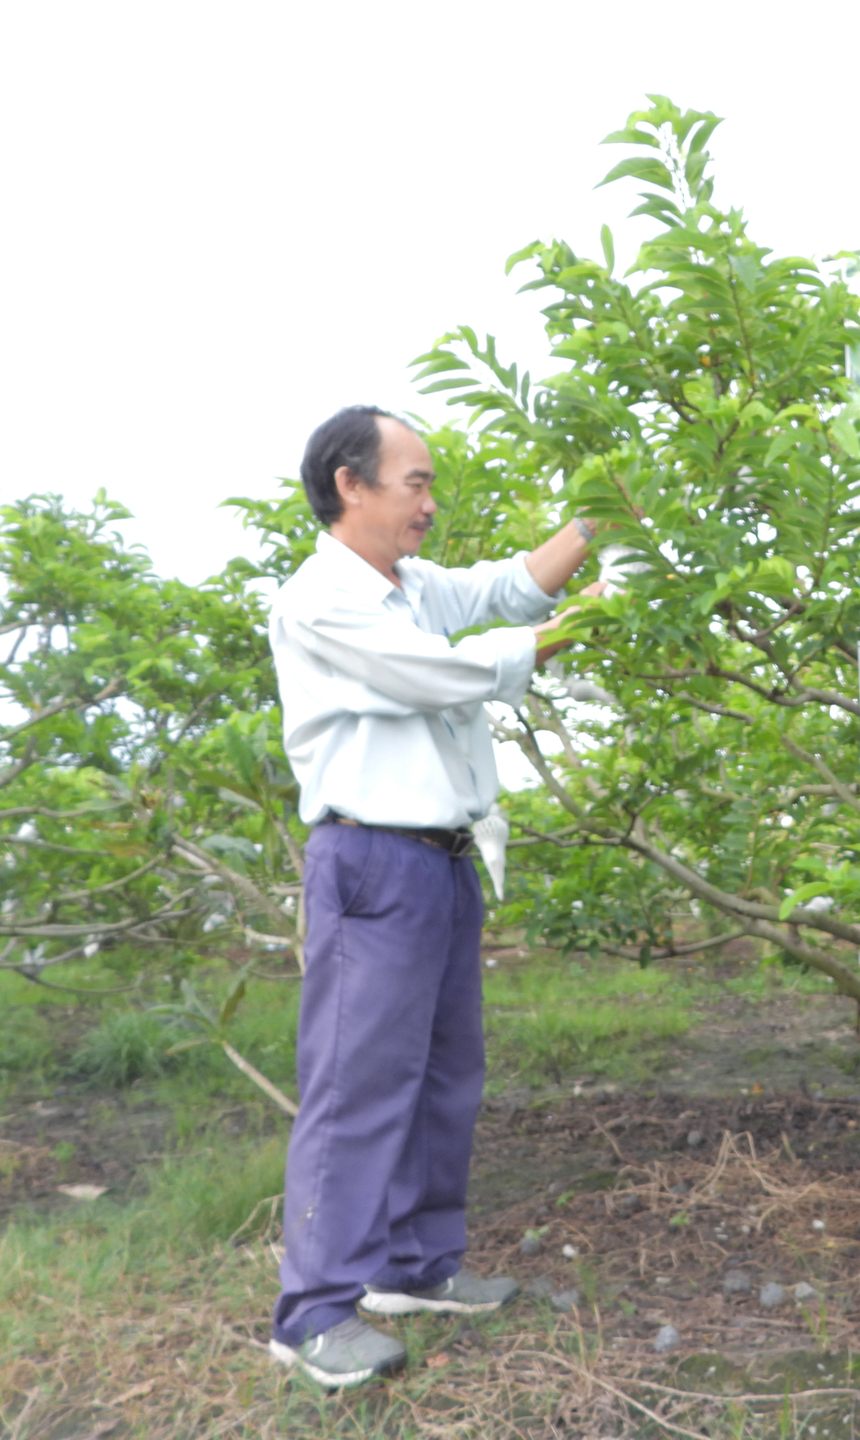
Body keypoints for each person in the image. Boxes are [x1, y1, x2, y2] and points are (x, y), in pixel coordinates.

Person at [264, 404, 599, 1388]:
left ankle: (412, 1268)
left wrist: (596, 525)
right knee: (355, 1090)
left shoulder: (405, 586)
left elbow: (504, 587)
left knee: (446, 1077)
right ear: (349, 485)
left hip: (442, 861)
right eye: (415, 482)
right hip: (372, 861)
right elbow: (434, 676)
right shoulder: (324, 600)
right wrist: (565, 640)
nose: (430, 503)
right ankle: (315, 1315)